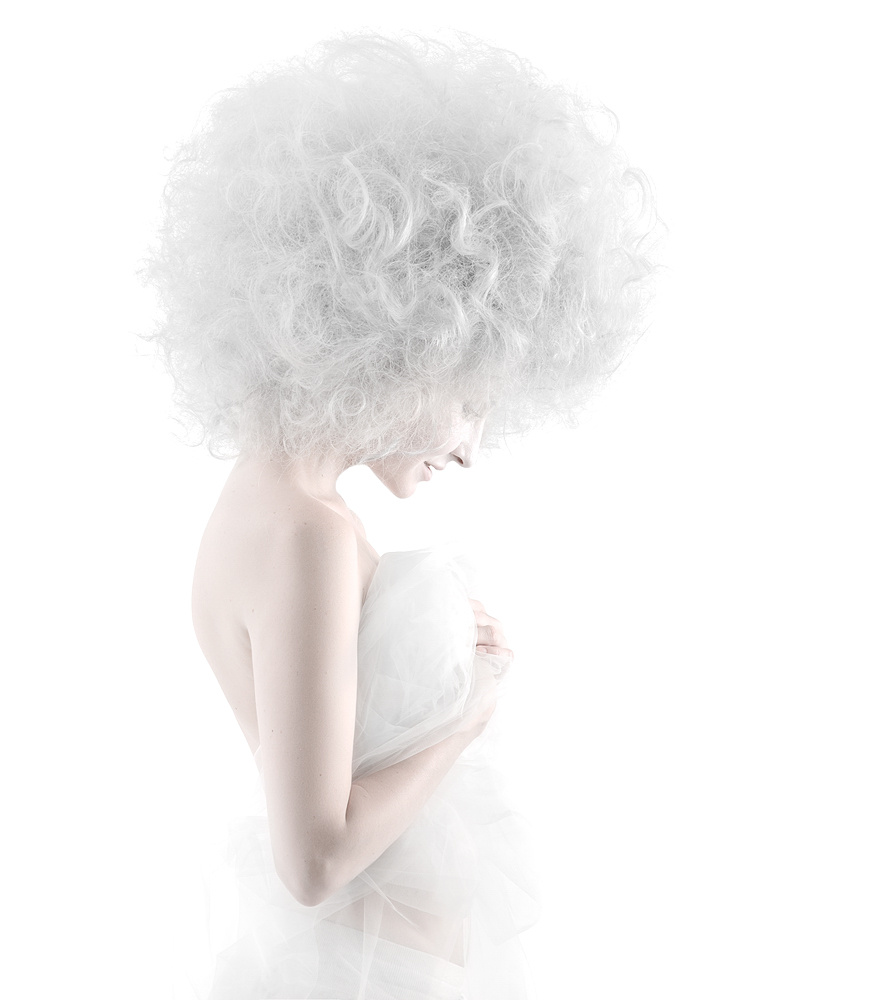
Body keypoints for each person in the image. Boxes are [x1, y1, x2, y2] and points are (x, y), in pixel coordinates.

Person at [141, 28, 660, 1000]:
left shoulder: (269, 500)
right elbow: (315, 859)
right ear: (399, 336)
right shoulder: (306, 532)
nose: (469, 447)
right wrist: (467, 714)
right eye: (472, 396)